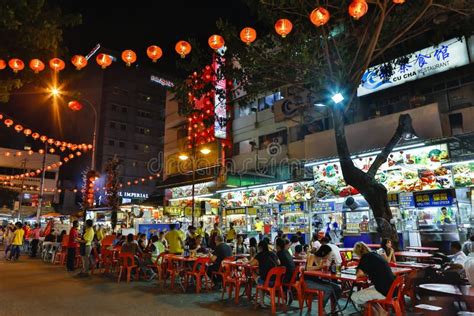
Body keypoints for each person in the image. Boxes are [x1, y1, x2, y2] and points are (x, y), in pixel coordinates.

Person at [351, 242, 395, 307]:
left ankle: (376, 312)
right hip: (392, 288)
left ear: (358, 253)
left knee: (354, 296)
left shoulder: (365, 257)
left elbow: (359, 274)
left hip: (384, 291)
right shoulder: (375, 254)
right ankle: (381, 312)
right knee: (368, 293)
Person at [305, 245, 342, 309]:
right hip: (308, 281)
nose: (328, 256)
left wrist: (327, 266)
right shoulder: (312, 256)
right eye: (328, 254)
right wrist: (320, 267)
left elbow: (322, 271)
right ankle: (321, 307)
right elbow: (308, 268)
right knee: (328, 289)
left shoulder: (322, 259)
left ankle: (333, 307)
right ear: (323, 253)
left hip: (318, 280)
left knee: (337, 288)